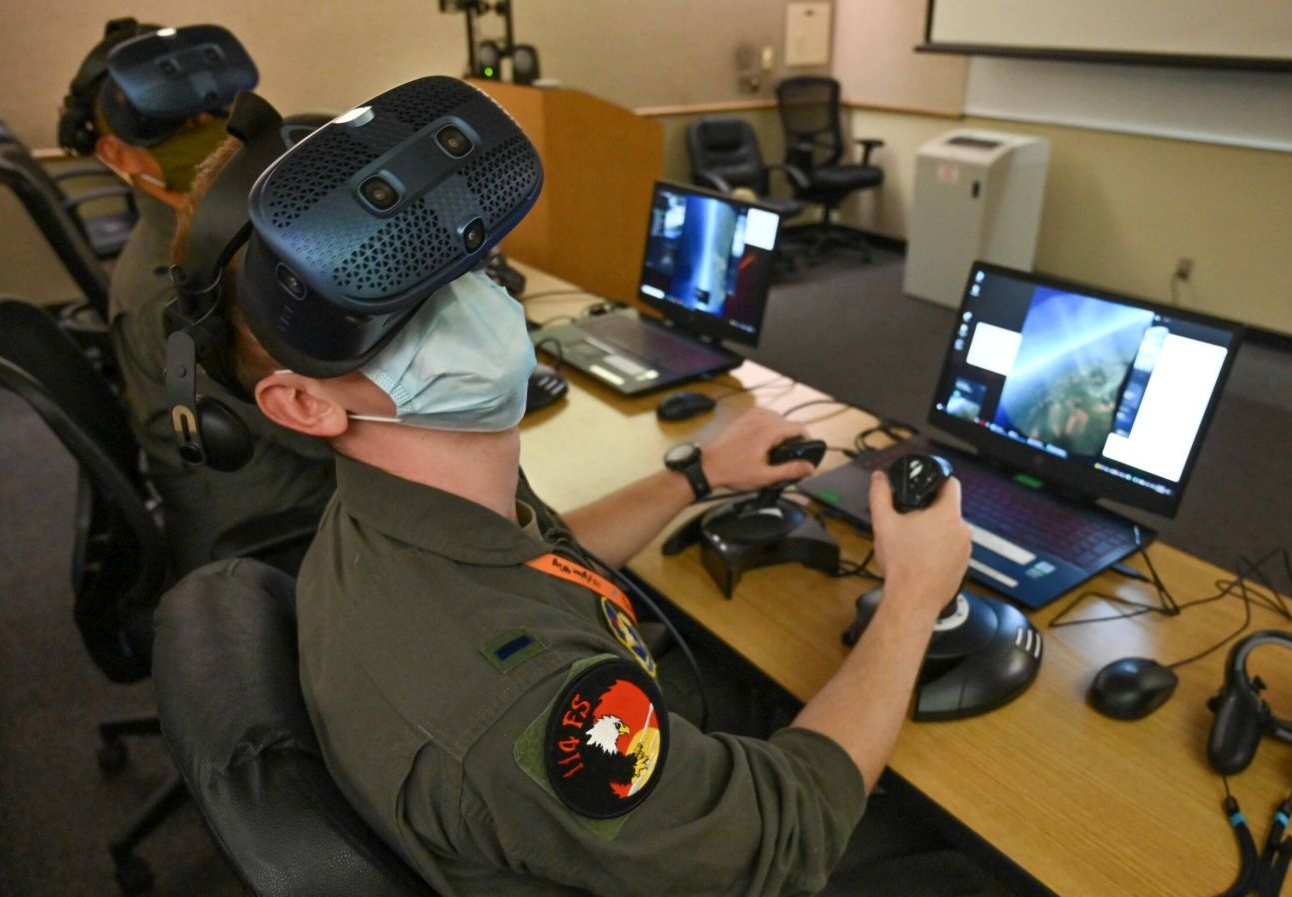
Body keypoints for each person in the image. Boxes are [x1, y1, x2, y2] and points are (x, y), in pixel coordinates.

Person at [173, 87, 983, 896]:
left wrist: (697, 476)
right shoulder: (524, 706)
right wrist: (913, 594)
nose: (474, 302)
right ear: (305, 402)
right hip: (717, 855)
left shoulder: (407, 498)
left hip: (592, 807)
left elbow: (540, 558)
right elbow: (778, 840)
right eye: (401, 308)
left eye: (461, 262)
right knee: (971, 857)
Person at [60, 20, 335, 574]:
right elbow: (321, 428)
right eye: (177, 127)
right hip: (273, 528)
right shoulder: (180, 290)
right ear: (117, 153)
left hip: (281, 476)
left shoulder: (222, 233)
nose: (207, 130)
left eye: (212, 115)